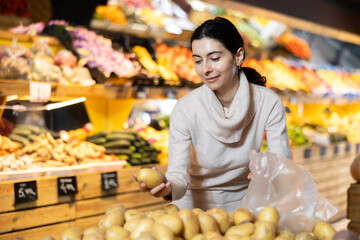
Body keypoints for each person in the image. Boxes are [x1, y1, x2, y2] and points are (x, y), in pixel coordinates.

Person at [135, 17, 291, 212]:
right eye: (198, 61)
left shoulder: (268, 102)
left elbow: (282, 164)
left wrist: (271, 171)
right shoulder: (185, 109)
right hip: (193, 214)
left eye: (215, 58)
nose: (205, 69)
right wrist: (167, 187)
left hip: (245, 213)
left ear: (238, 56)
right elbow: (178, 177)